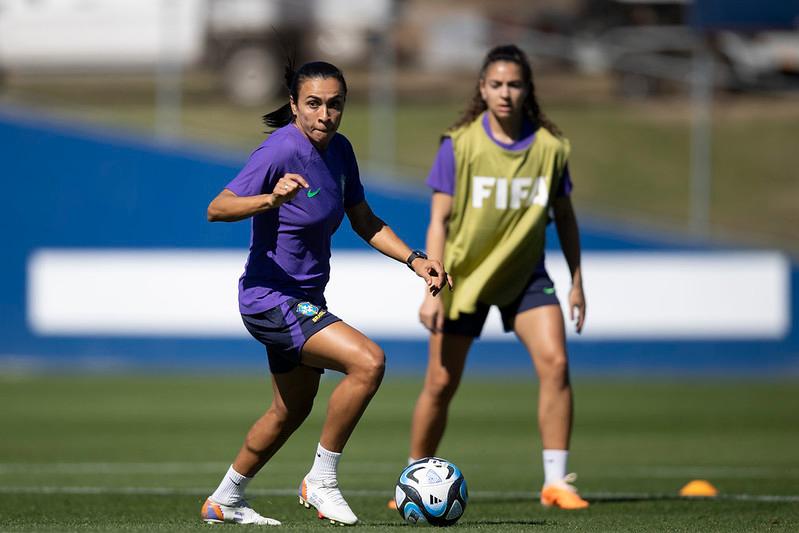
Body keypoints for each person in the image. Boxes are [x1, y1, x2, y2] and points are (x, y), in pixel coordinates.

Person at [201, 60, 451, 526]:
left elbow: (364, 220)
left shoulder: (341, 151)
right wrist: (269, 200)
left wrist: (416, 260)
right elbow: (218, 208)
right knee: (368, 361)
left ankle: (224, 499)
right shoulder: (279, 150)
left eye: (334, 105)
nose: (324, 114)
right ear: (294, 105)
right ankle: (322, 481)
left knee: (289, 411)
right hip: (268, 298)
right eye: (313, 103)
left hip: (305, 301)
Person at [393, 44, 589, 510]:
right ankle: (413, 478)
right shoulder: (459, 144)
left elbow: (565, 217)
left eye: (515, 84)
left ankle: (556, 483)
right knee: (440, 385)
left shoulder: (551, 149)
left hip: (526, 277)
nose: (505, 93)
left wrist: (577, 279)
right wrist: (431, 290)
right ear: (482, 88)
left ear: (527, 90)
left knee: (557, 365)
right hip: (463, 279)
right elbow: (438, 221)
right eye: (496, 84)